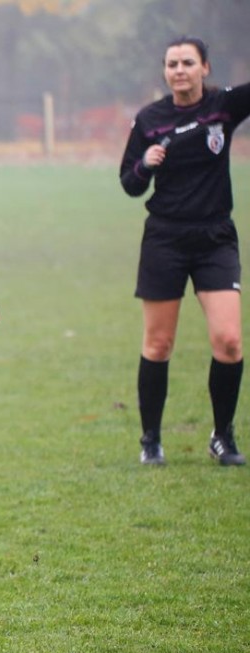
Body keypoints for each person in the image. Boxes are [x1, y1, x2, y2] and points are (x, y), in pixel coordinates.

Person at [120, 35, 250, 467]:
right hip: (165, 239)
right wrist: (145, 164)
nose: (179, 70)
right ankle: (151, 440)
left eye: (188, 63)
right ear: (165, 71)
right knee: (158, 344)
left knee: (229, 341)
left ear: (205, 68)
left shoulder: (222, 107)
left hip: (215, 238)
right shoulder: (150, 119)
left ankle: (222, 436)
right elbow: (129, 183)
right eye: (172, 64)